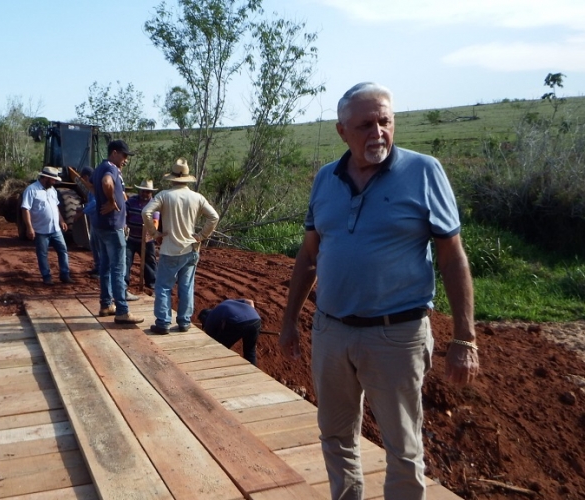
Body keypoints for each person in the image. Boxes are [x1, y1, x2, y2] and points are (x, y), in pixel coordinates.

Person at [278, 82, 480, 500]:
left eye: (385, 121)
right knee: (335, 436)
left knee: (402, 448)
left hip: (396, 335)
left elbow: (452, 257)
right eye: (365, 124)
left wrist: (465, 337)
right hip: (331, 331)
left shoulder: (424, 172)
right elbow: (309, 255)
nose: (378, 132)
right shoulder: (325, 179)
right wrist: (289, 322)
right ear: (342, 131)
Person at [142, 158, 219, 334]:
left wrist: (155, 234)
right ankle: (184, 322)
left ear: (173, 178)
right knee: (186, 286)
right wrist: (201, 236)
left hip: (170, 248)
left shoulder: (164, 195)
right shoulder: (197, 197)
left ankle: (163, 322)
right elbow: (214, 217)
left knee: (163, 287)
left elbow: (145, 212)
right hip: (191, 248)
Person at [92, 140, 144, 324]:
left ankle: (106, 304)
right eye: (124, 155)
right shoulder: (111, 168)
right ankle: (122, 310)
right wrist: (112, 201)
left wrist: (115, 196)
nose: (126, 160)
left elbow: (96, 185)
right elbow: (107, 182)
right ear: (114, 153)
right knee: (118, 269)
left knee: (105, 266)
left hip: (102, 225)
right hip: (113, 227)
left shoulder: (100, 167)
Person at [20, 166, 73, 286]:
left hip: (56, 229)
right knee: (42, 254)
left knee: (63, 251)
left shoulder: (52, 190)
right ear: (46, 178)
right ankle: (46, 276)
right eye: (53, 179)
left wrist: (62, 221)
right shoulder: (31, 190)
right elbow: (25, 209)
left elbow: (56, 207)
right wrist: (29, 227)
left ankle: (65, 275)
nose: (55, 182)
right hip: (41, 230)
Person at [198, 299, 261, 365]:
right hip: (256, 319)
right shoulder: (226, 302)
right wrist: (251, 322)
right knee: (250, 351)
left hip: (236, 322)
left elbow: (214, 340)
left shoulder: (209, 321)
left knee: (219, 349)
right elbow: (250, 302)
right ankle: (252, 372)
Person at [125, 179, 159, 293]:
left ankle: (152, 283)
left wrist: (152, 230)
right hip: (131, 238)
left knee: (150, 261)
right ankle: (124, 284)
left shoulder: (154, 203)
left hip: (147, 239)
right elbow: (124, 213)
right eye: (143, 191)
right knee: (126, 260)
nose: (145, 194)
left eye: (148, 192)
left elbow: (155, 220)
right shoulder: (131, 201)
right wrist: (124, 224)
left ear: (151, 193)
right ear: (140, 191)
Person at [77, 166, 100, 277]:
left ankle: (101, 270)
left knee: (98, 245)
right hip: (94, 220)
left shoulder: (95, 187)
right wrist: (84, 207)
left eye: (83, 179)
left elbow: (95, 203)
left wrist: (82, 212)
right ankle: (97, 267)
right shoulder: (91, 189)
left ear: (86, 177)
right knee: (93, 244)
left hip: (99, 221)